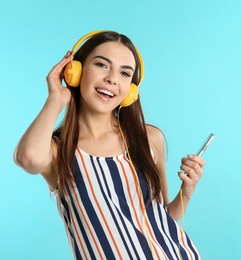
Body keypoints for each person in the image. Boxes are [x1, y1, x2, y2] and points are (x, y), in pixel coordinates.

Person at [14, 30, 205, 260]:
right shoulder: (58, 151)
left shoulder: (149, 138)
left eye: (125, 73)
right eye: (102, 65)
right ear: (75, 71)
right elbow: (28, 158)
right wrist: (56, 98)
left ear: (131, 90)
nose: (112, 79)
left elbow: (162, 219)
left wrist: (187, 191)